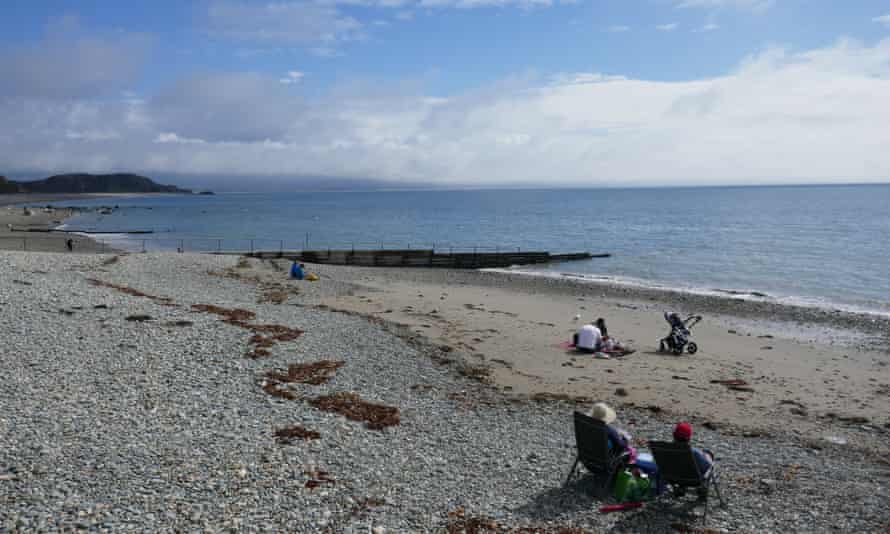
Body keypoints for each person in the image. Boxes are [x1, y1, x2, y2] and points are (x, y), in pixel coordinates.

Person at [589, 402, 659, 484]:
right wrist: (625, 439)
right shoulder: (607, 429)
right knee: (630, 452)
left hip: (590, 462)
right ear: (605, 417)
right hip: (605, 465)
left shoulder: (587, 426)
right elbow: (621, 446)